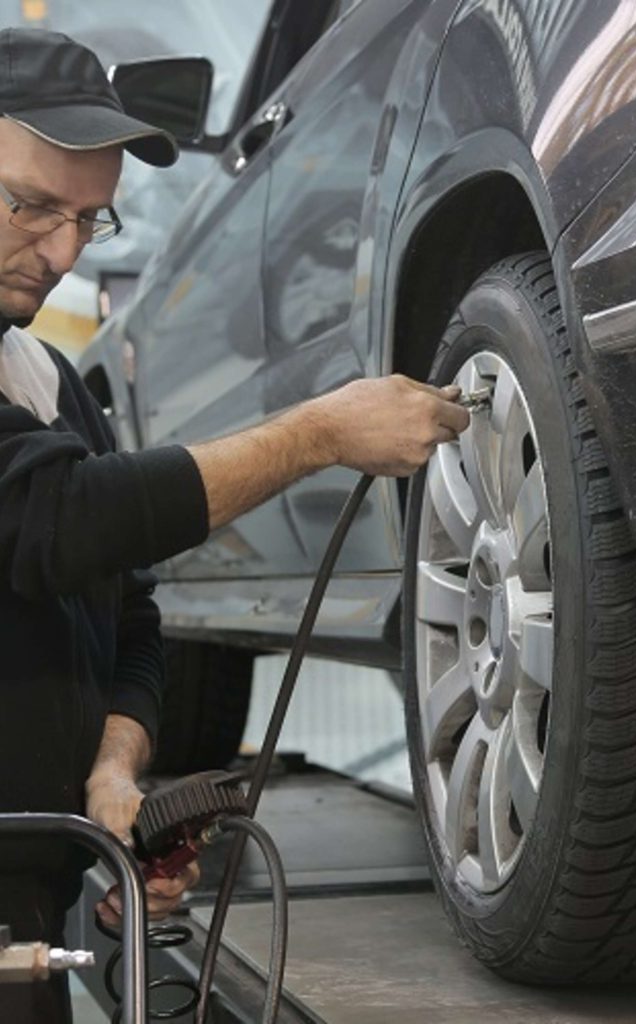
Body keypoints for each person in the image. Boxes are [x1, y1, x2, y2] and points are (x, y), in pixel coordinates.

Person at [0, 27, 470, 1023]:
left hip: (29, 918)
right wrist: (319, 431)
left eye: (91, 218)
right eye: (31, 204)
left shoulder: (51, 385)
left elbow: (129, 609)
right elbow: (52, 521)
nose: (62, 250)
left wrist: (116, 764)